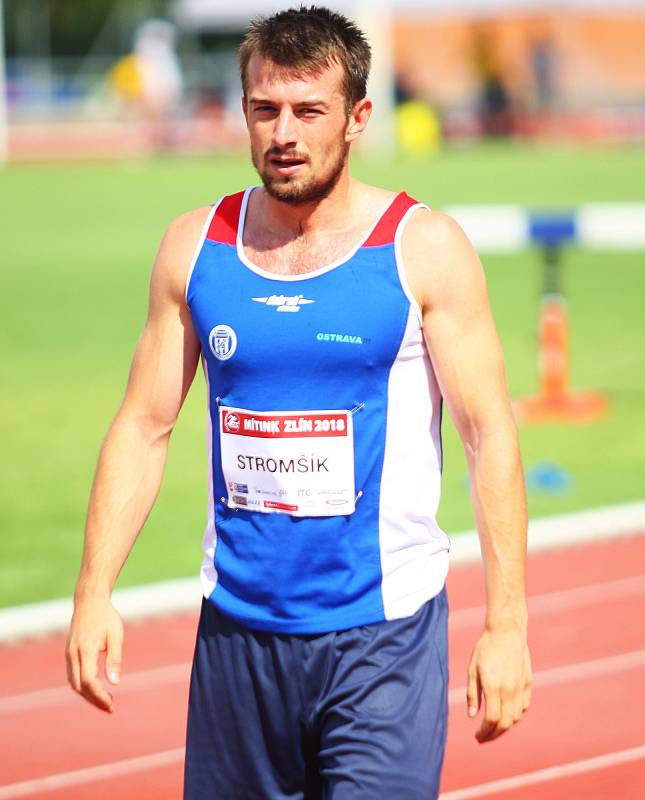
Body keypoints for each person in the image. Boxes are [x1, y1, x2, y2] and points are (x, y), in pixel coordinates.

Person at [66, 6, 532, 798]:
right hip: (237, 637)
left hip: (380, 637)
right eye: (264, 109)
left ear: (356, 119)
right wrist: (93, 591)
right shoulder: (195, 246)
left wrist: (506, 625)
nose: (284, 132)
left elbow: (488, 434)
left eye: (308, 111)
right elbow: (145, 427)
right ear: (242, 110)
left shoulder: (421, 249)